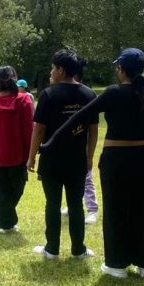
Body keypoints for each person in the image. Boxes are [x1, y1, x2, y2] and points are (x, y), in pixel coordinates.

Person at [42, 48, 144, 279]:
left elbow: (79, 117)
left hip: (117, 159)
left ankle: (116, 264)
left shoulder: (114, 92)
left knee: (116, 210)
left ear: (121, 69)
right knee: (142, 209)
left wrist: (53, 140)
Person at [27, 50, 98, 259]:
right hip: (77, 159)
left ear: (61, 69)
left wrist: (31, 156)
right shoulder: (88, 94)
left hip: (52, 159)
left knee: (53, 203)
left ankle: (52, 249)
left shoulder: (49, 95)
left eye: (52, 68)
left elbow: (39, 130)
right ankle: (78, 250)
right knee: (76, 204)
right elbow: (93, 130)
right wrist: (89, 156)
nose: (51, 72)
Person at [0, 65, 34, 233]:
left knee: (1, 189)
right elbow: (29, 129)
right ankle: (7, 223)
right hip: (18, 154)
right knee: (15, 188)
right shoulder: (24, 101)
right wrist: (31, 152)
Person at [60, 58, 99, 224]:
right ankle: (71, 204)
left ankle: (92, 209)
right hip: (65, 145)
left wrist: (89, 155)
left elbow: (93, 127)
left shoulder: (86, 95)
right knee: (68, 178)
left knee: (86, 178)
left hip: (81, 145)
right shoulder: (59, 94)